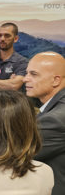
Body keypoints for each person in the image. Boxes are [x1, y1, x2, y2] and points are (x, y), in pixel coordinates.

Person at [23, 51, 65, 195]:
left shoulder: (57, 119)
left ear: (56, 81)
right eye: (26, 73)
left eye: (33, 74)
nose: (25, 79)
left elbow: (14, 152)